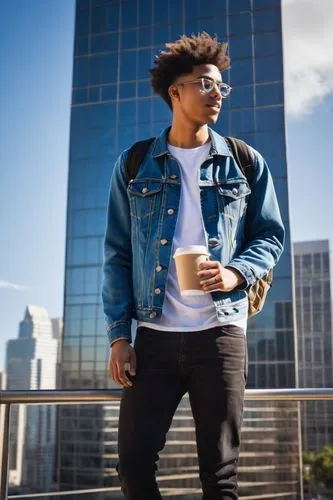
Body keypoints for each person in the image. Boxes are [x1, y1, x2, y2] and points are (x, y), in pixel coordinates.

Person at [102, 32, 284, 500]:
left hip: (221, 334)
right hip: (155, 339)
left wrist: (235, 273)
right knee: (134, 465)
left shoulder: (244, 161)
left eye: (221, 87)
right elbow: (118, 253)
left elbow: (271, 235)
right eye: (205, 84)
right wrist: (120, 336)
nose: (216, 94)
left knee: (219, 476)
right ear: (175, 92)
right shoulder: (136, 163)